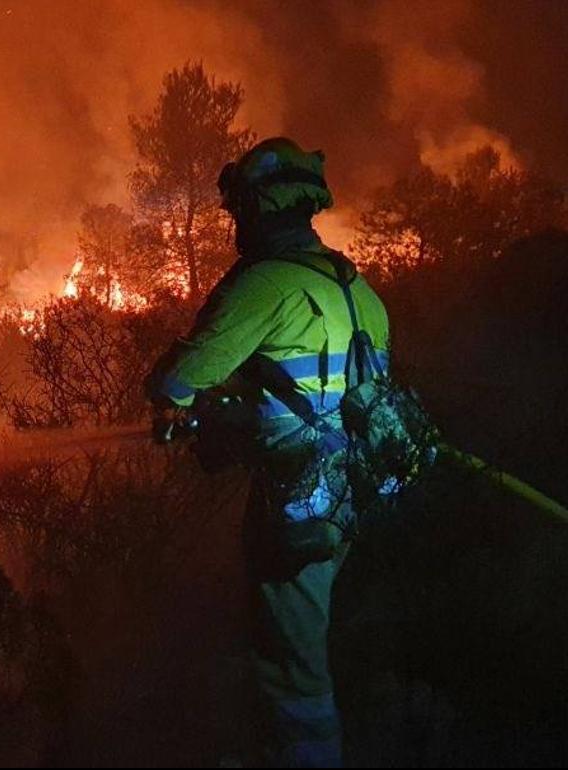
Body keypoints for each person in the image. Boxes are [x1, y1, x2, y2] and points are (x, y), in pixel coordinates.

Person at [148, 137, 392, 767]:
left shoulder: (266, 285)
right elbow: (326, 391)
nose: (235, 225)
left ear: (258, 208)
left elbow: (179, 380)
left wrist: (182, 403)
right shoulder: (354, 284)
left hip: (299, 505)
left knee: (293, 670)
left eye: (239, 212)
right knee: (295, 640)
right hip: (345, 500)